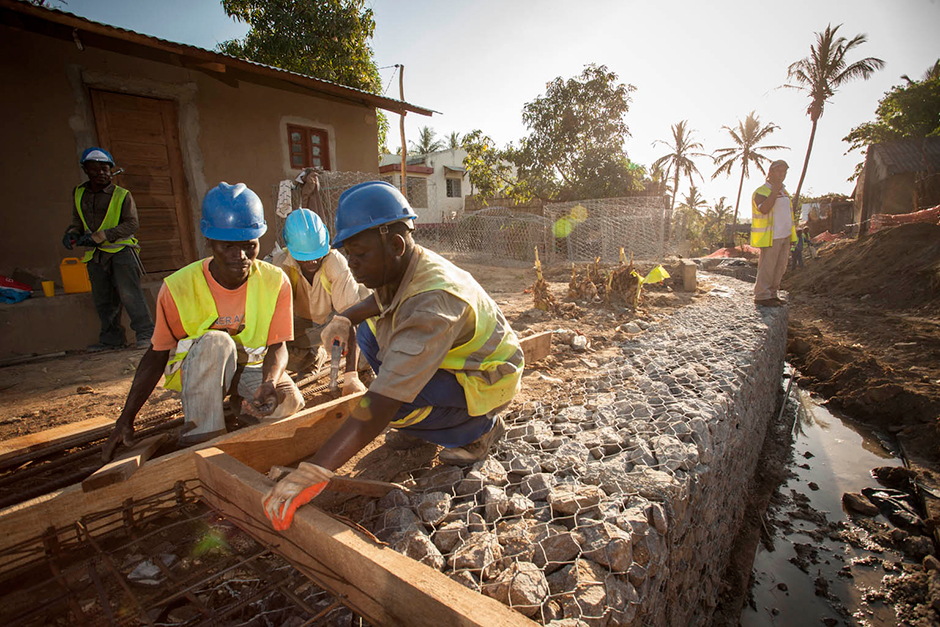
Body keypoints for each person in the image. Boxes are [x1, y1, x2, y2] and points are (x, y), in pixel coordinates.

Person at [263, 181, 524, 529]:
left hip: (490, 376)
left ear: (396, 244)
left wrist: (313, 470)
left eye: (360, 255)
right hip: (458, 360)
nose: (352, 265)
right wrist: (345, 318)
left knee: (394, 406)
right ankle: (430, 420)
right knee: (370, 331)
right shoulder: (403, 266)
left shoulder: (432, 303)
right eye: (349, 255)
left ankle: (480, 429)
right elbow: (382, 301)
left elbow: (380, 402)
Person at [101, 183, 305, 461]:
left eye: (249, 245)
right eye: (229, 247)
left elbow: (277, 345)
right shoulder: (178, 288)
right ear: (209, 241)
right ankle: (202, 436)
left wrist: (269, 383)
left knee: (288, 403)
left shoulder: (275, 281)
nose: (241, 256)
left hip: (250, 370)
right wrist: (126, 418)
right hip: (201, 373)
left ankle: (242, 408)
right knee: (216, 342)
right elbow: (156, 354)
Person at [63, 147, 154, 350]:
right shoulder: (79, 193)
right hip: (96, 255)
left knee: (130, 294)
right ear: (86, 170)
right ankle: (111, 339)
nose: (102, 173)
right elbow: (77, 220)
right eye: (96, 169)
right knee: (103, 298)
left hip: (121, 251)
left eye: (105, 169)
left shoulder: (122, 195)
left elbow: (132, 224)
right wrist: (72, 233)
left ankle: (146, 335)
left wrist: (102, 236)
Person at [271, 209, 370, 377]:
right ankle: (312, 358)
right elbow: (274, 321)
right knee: (276, 348)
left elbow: (350, 317)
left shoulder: (334, 263)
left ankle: (364, 368)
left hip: (332, 321)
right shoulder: (281, 265)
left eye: (316, 255)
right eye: (306, 257)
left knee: (367, 309)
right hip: (302, 326)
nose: (313, 261)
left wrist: (350, 375)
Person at [751, 160, 797, 307]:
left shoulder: (784, 192)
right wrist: (775, 190)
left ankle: (772, 293)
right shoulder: (761, 191)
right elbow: (764, 209)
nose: (781, 174)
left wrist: (792, 236)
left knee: (780, 267)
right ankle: (762, 295)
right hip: (771, 236)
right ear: (770, 172)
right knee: (768, 267)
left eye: (784, 172)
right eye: (778, 171)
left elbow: (787, 214)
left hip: (785, 235)